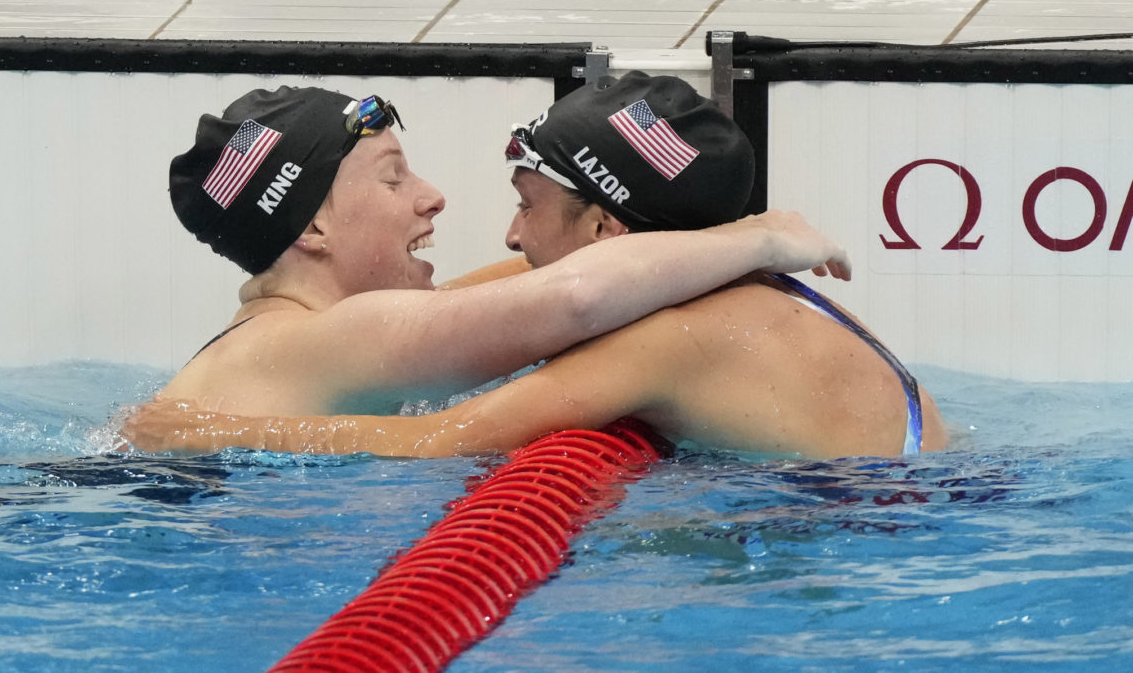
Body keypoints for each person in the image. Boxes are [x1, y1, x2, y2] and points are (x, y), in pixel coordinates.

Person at [123, 74, 944, 460]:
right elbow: (569, 291)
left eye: (527, 206)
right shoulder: (320, 337)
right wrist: (758, 234)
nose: (507, 238)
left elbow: (567, 291)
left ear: (607, 225)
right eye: (393, 176)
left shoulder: (669, 329)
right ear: (314, 227)